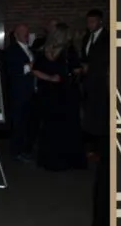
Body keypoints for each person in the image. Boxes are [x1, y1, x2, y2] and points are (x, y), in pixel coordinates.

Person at [31, 25, 86, 171]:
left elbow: (35, 70)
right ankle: (67, 160)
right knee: (67, 127)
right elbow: (76, 70)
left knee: (50, 126)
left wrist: (49, 78)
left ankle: (50, 160)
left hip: (47, 93)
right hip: (65, 92)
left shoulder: (43, 50)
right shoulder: (68, 51)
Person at [3, 23, 37, 163]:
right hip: (18, 93)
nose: (26, 35)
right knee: (19, 123)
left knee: (28, 122)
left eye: (27, 32)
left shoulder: (30, 49)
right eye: (23, 32)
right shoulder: (11, 51)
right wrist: (30, 67)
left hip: (30, 92)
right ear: (16, 35)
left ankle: (26, 149)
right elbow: (11, 71)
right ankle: (17, 151)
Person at [80, 8, 109, 158]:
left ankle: (101, 148)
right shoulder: (87, 37)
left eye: (93, 21)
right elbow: (85, 56)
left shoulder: (107, 38)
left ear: (100, 22)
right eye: (88, 22)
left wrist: (91, 67)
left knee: (101, 115)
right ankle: (92, 146)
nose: (90, 24)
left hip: (101, 82)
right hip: (88, 82)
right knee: (90, 115)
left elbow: (106, 59)